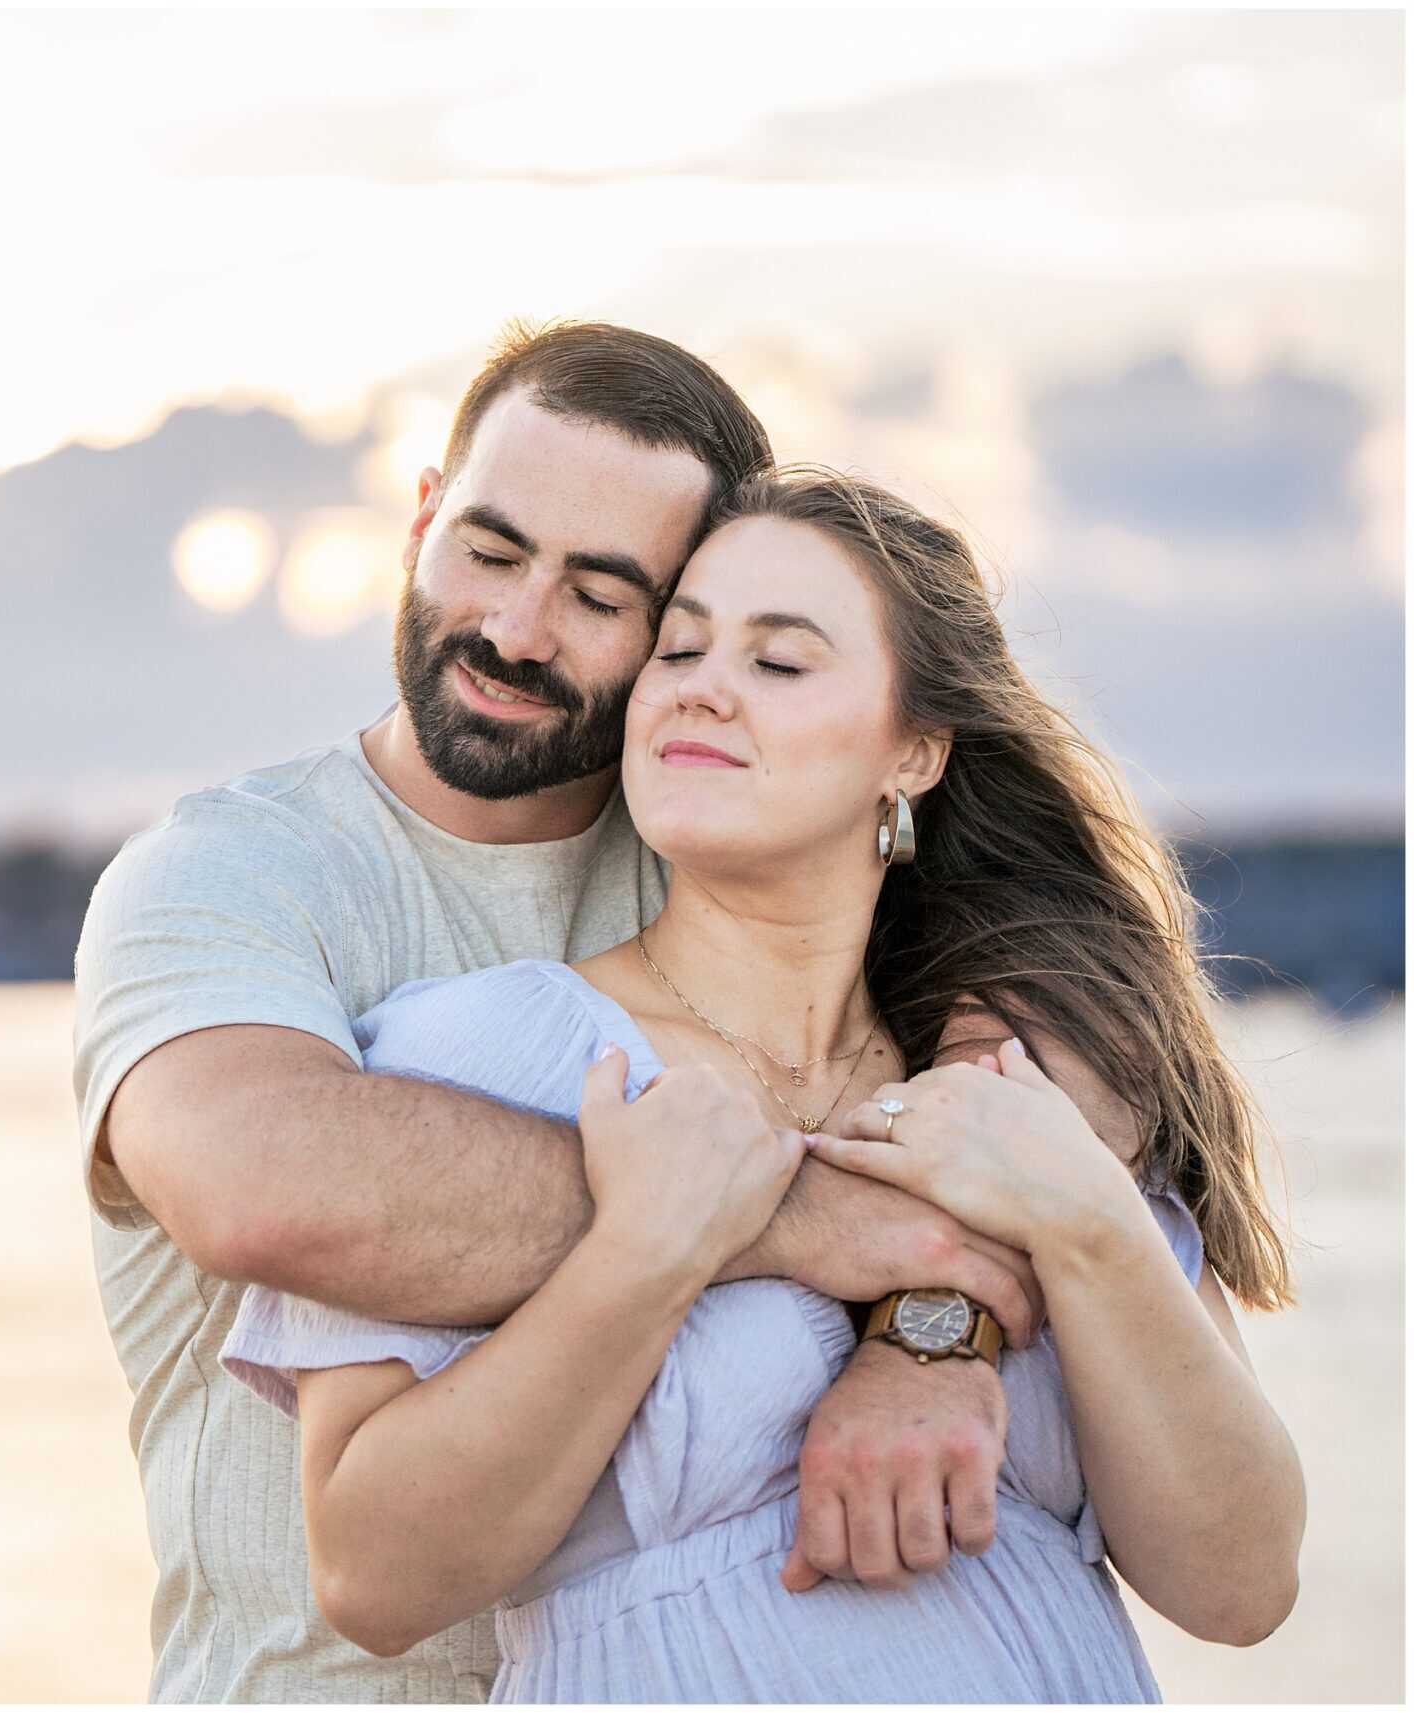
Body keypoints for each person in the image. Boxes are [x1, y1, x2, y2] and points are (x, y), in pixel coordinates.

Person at [73, 321, 1062, 1702]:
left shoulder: (735, 841)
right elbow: (261, 1183)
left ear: (685, 628)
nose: (516, 629)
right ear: (421, 517)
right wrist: (800, 1218)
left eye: (602, 596)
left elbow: (1070, 996)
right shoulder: (230, 873)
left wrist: (929, 1334)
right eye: (487, 550)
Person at [215, 467, 1303, 1701]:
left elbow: (1242, 1586)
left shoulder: (1030, 1079)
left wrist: (1087, 1223)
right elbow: (373, 1580)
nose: (702, 689)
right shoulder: (486, 1053)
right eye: (678, 650)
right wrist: (645, 1257)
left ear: (914, 750)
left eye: (778, 664)